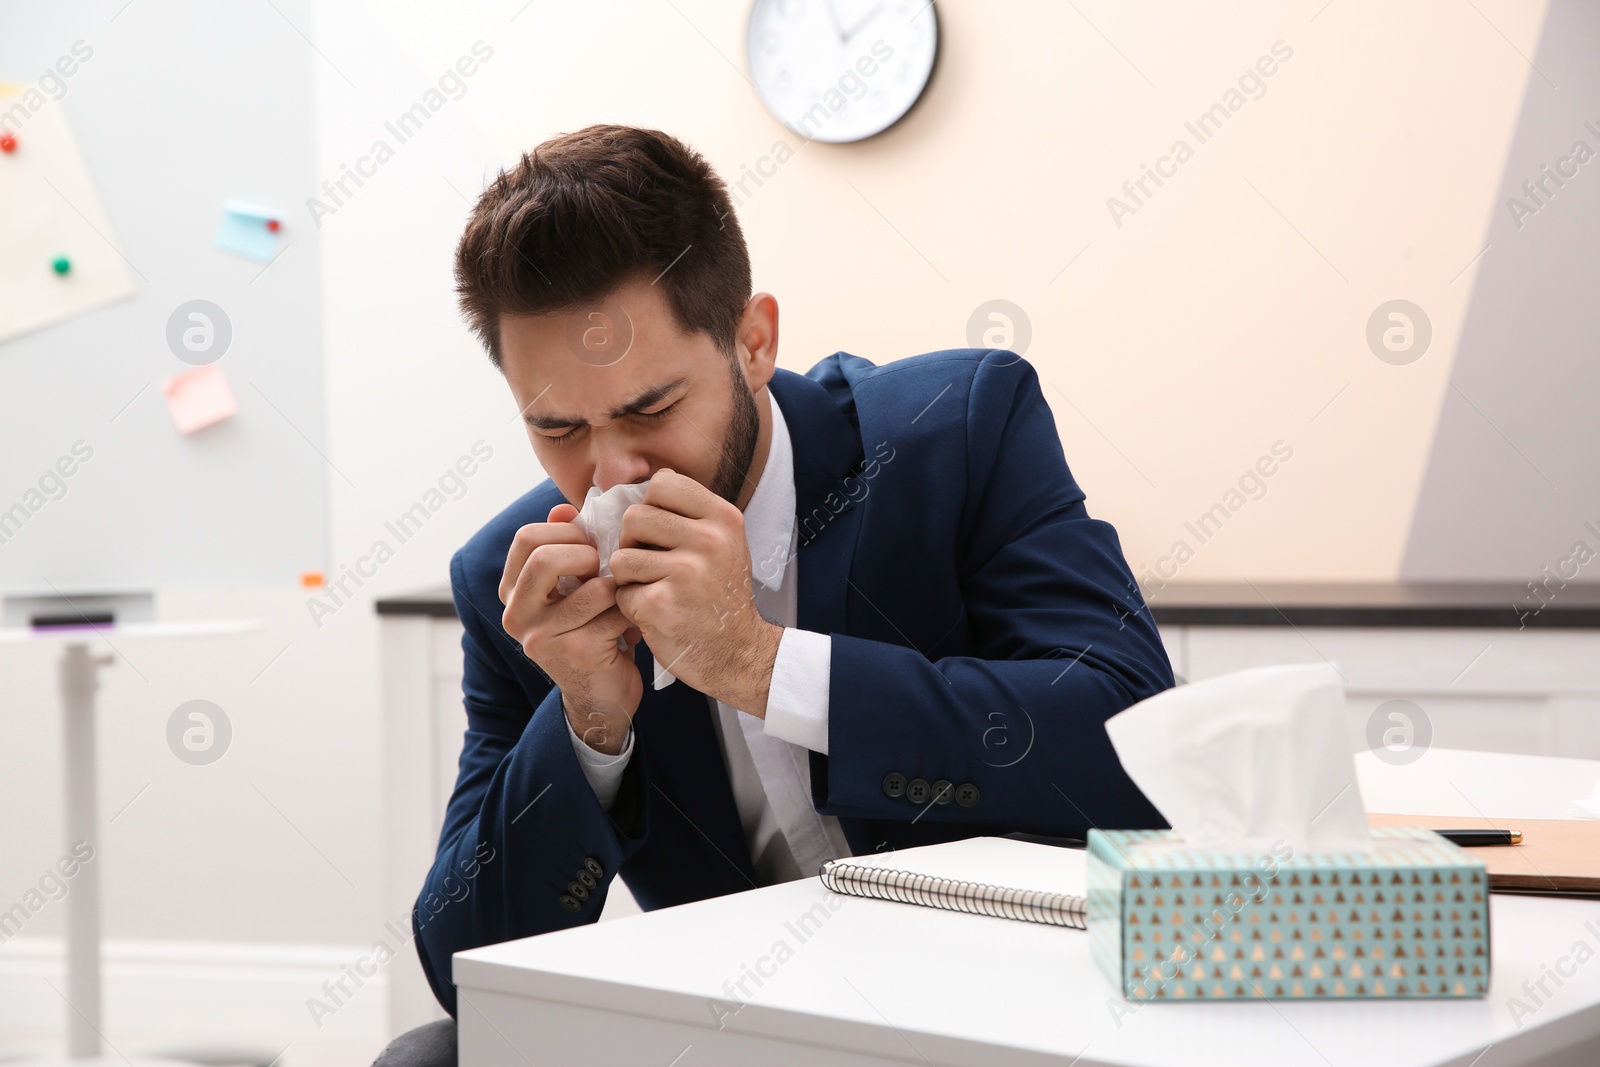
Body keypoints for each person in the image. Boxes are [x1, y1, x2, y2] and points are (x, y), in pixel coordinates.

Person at [374, 124, 1173, 1066]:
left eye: (650, 409)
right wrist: (590, 720)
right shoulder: (514, 582)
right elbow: (466, 960)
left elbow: (1134, 745)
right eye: (558, 428)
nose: (609, 473)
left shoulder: (956, 429)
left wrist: (760, 663)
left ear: (753, 341)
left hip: (1004, 1006)